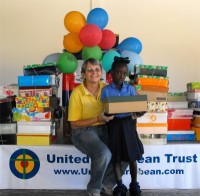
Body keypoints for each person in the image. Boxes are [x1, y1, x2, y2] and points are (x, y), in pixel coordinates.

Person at [68, 58, 128, 196]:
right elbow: (74, 123)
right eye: (89, 70)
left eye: (97, 69)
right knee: (103, 153)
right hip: (82, 131)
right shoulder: (77, 93)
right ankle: (94, 190)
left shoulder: (108, 88)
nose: (93, 73)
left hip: (104, 129)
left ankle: (106, 185)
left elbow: (125, 97)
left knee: (125, 152)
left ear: (101, 72)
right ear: (83, 74)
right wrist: (98, 118)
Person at [101, 57, 145, 196]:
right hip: (114, 125)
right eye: (118, 72)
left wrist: (138, 112)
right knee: (116, 157)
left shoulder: (130, 89)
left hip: (128, 124)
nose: (121, 76)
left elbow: (138, 108)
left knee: (132, 157)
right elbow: (105, 109)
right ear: (111, 73)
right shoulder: (106, 90)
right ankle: (120, 186)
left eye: (124, 73)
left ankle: (134, 184)